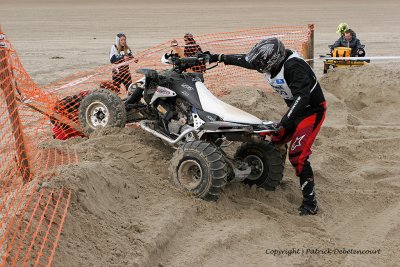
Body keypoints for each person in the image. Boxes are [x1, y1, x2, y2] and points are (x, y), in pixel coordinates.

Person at [207, 38, 327, 216]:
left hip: (312, 111)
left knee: (298, 155)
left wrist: (285, 120)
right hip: (296, 110)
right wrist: (218, 57)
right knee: (276, 139)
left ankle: (311, 204)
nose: (259, 69)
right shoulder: (269, 62)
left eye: (262, 66)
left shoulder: (294, 67)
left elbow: (303, 97)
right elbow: (246, 60)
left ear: (273, 61)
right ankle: (275, 173)